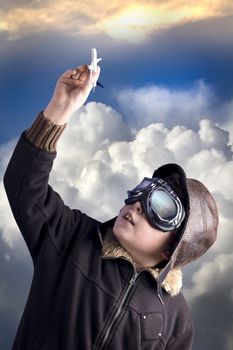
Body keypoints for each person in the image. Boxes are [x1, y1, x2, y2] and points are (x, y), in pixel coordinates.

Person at [4, 63, 219, 350]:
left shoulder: (176, 323)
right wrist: (60, 107)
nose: (139, 205)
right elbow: (23, 183)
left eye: (163, 208)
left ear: (174, 249)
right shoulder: (72, 239)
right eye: (144, 191)